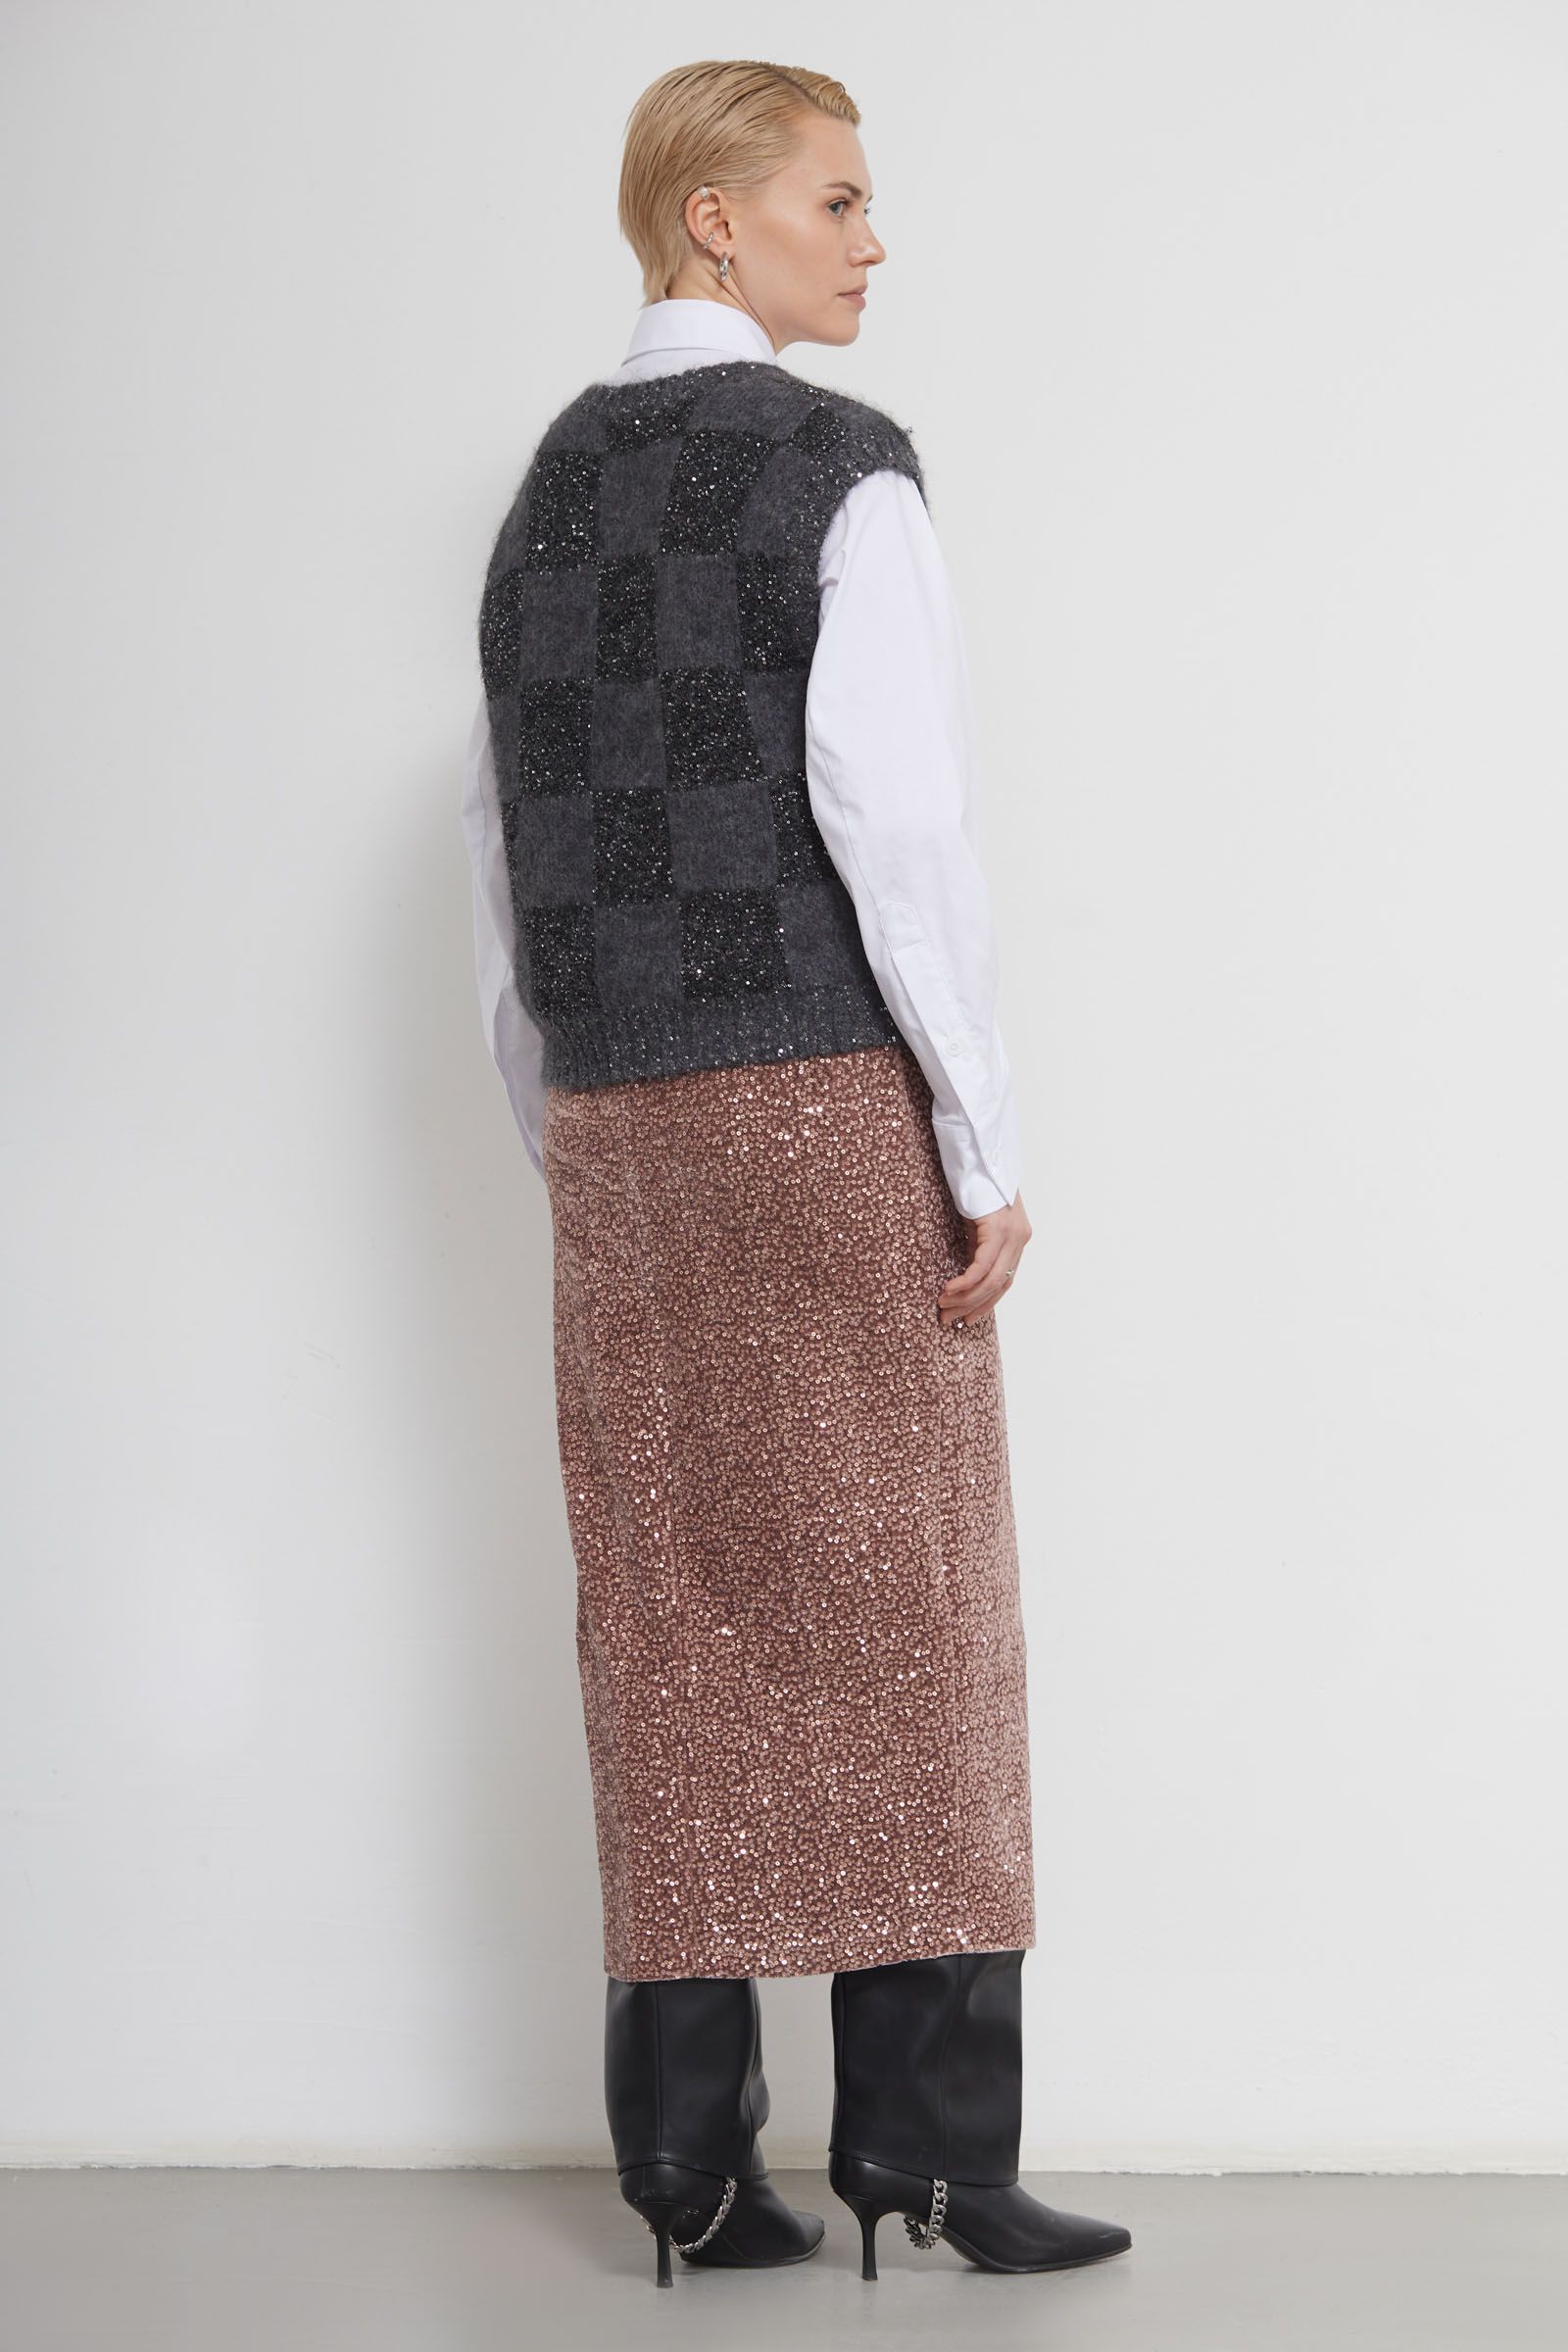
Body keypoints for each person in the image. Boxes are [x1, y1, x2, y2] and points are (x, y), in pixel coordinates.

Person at [461, 57, 1133, 2290]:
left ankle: (686, 2166)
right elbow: (899, 823)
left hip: (616, 1127)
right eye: (834, 199)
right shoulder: (838, 468)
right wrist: (980, 1134)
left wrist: (560, 1126)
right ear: (711, 219)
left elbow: (503, 850)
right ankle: (928, 2156)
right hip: (821, 1093)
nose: (871, 239)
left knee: (669, 1610)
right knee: (907, 1604)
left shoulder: (546, 491)